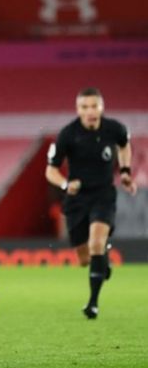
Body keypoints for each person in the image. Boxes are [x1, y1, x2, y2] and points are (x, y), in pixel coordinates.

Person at [46, 87, 137, 319]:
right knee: (85, 259)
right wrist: (66, 185)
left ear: (101, 107)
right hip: (77, 199)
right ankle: (103, 255)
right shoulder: (67, 134)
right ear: (78, 110)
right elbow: (51, 170)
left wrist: (125, 172)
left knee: (96, 243)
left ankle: (92, 304)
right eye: (85, 107)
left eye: (94, 106)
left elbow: (124, 144)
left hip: (104, 195)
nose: (90, 111)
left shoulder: (115, 129)